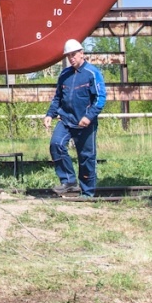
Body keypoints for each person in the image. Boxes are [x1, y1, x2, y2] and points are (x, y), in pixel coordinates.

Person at [43, 39, 106, 197]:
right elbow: (58, 97)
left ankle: (87, 193)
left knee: (86, 157)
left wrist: (89, 116)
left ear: (81, 53)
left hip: (85, 123)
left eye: (74, 54)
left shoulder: (92, 73)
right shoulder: (64, 74)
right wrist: (50, 114)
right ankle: (68, 181)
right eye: (68, 55)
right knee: (56, 144)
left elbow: (100, 98)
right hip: (66, 120)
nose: (71, 58)